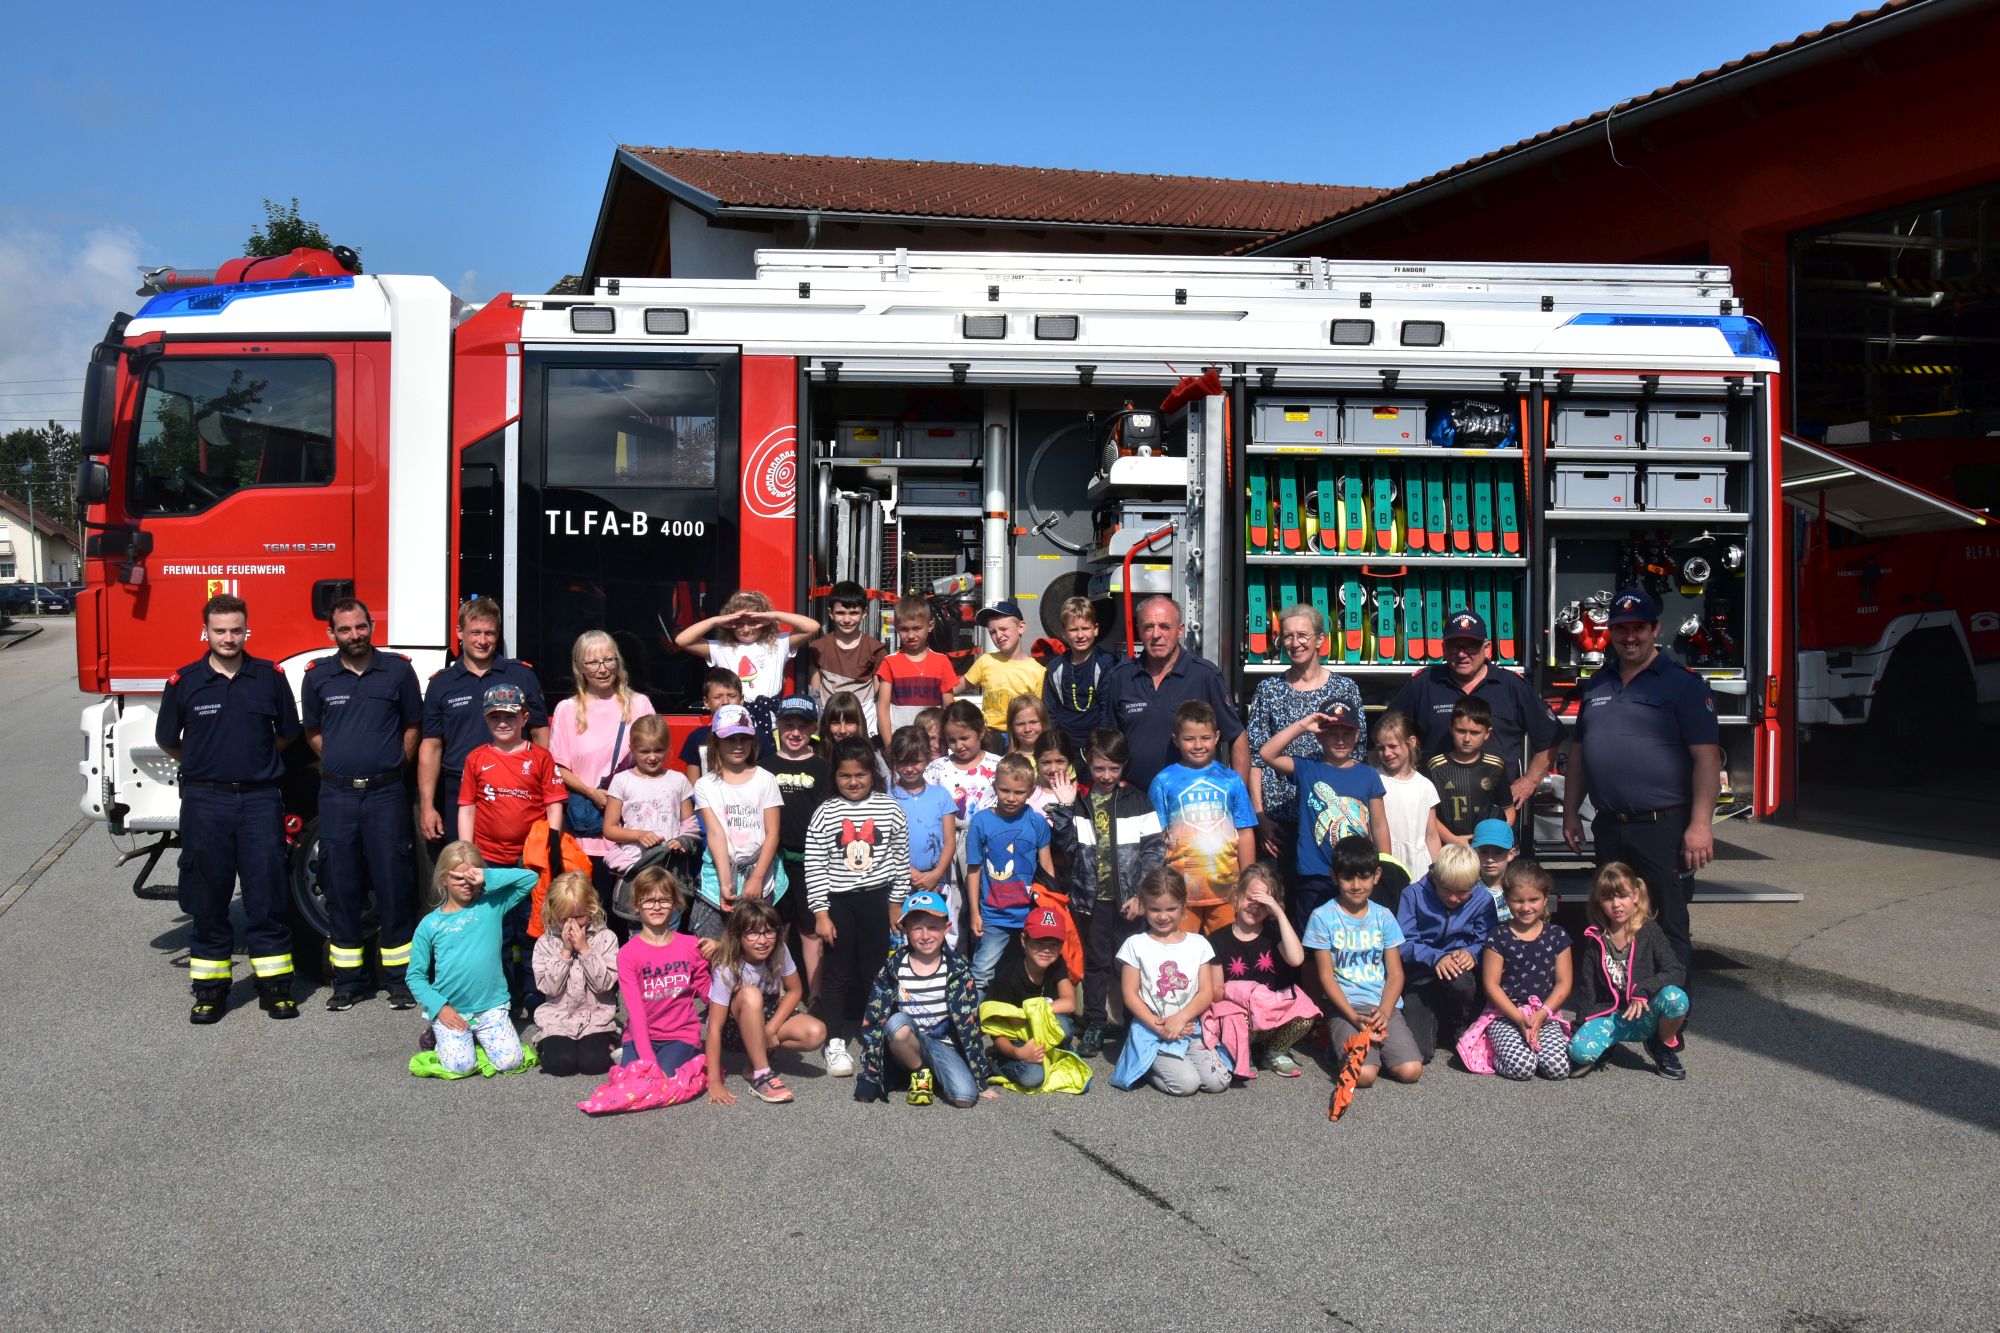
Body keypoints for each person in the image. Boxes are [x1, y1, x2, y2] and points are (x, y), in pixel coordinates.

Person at [156, 593, 304, 1023]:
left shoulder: (268, 677)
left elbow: (287, 733)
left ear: (246, 630)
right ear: (206, 632)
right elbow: (169, 739)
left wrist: (254, 762)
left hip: (259, 800)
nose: (228, 637)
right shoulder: (184, 683)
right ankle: (210, 992)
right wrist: (207, 765)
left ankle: (275, 989)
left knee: (266, 897)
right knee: (209, 897)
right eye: (219, 630)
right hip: (206, 802)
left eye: (235, 630)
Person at [1561, 587, 1721, 977]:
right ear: (1610, 632)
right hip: (1610, 825)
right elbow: (1580, 755)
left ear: (1655, 629)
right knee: (1611, 921)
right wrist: (1569, 815)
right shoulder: (1598, 684)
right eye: (1621, 629)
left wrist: (1700, 826)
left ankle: (1667, 1024)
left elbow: (1707, 760)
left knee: (1666, 924)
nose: (1629, 637)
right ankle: (1617, 1009)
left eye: (1638, 628)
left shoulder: (1684, 684)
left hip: (1662, 828)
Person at [300, 597, 423, 1011]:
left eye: (361, 627)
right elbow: (313, 732)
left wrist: (391, 766)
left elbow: (412, 726)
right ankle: (348, 982)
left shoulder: (398, 671)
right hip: (337, 795)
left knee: (395, 884)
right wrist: (338, 760)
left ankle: (400, 981)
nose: (355, 635)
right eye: (345, 629)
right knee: (341, 883)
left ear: (372, 626)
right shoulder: (318, 677)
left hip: (386, 794)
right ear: (331, 633)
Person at [457, 682, 566, 1015]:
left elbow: (554, 803)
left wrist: (553, 844)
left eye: (509, 716)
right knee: (496, 933)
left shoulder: (541, 758)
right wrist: (466, 853)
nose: (502, 723)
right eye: (494, 718)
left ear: (523, 718)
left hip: (529, 863)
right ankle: (502, 995)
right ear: (486, 720)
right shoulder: (476, 758)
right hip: (490, 860)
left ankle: (534, 994)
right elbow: (467, 806)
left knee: (532, 928)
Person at [806, 737, 912, 1076]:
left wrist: (896, 904)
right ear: (834, 776)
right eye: (845, 775)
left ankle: (877, 1034)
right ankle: (834, 1041)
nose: (853, 782)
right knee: (837, 973)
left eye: (861, 775)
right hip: (838, 903)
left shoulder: (889, 807)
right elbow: (815, 864)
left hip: (877, 900)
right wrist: (821, 913)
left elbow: (900, 858)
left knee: (876, 972)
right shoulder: (826, 812)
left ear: (873, 774)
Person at [1386, 608, 1558, 810]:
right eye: (1454, 646)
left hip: (1496, 809)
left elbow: (1551, 736)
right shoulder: (1423, 684)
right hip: (1434, 810)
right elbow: (1386, 734)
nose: (1461, 654)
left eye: (1471, 646)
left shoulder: (1512, 686)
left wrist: (1529, 781)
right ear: (1443, 647)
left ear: (1487, 648)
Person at [1061, 727, 1164, 1058]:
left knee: (1132, 963)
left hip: (1130, 901)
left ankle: (1137, 1021)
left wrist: (1142, 896)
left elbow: (1153, 850)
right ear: (1087, 763)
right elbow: (1064, 848)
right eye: (1099, 768)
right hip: (1091, 901)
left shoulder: (1137, 799)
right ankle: (1095, 1021)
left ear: (1124, 766)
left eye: (1113, 768)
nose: (1106, 775)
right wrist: (1063, 809)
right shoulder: (1078, 801)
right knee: (1097, 963)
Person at [418, 596, 549, 852]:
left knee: (514, 868)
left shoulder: (521, 675)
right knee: (463, 870)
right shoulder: (441, 684)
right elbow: (431, 746)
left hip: (515, 789)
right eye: (475, 632)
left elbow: (540, 732)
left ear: (497, 634)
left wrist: (542, 787)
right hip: (458, 789)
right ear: (459, 633)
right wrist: (427, 805)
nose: (482, 640)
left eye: (489, 633)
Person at [853, 890, 997, 1108]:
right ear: (906, 930)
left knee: (965, 1098)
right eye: (917, 928)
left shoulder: (957, 968)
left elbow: (971, 1025)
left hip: (943, 1043)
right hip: (907, 1039)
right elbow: (873, 1019)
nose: (925, 935)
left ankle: (934, 1071)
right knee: (895, 1024)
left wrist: (980, 1079)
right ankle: (919, 1071)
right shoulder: (894, 966)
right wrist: (869, 1078)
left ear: (947, 928)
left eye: (933, 927)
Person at [1245, 603, 1364, 865]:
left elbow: (1358, 755)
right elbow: (1255, 758)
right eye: (1287, 636)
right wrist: (1260, 817)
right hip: (1278, 820)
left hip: (1330, 814)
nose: (1295, 643)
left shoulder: (1345, 689)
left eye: (1302, 635)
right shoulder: (1269, 690)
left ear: (1320, 639)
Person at [1256, 701, 1390, 931]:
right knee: (1311, 940)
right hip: (1315, 873)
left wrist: (1386, 862)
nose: (1340, 740)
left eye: (1346, 733)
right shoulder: (1308, 768)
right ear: (1320, 735)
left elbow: (1378, 825)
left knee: (1354, 935)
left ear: (1357, 734)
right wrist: (1302, 725)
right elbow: (1267, 753)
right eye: (1332, 733)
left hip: (1356, 872)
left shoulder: (1368, 775)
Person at [406, 842, 538, 1074]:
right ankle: (436, 1035)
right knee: (460, 1066)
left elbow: (529, 879)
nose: (466, 885)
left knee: (510, 1062)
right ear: (443, 879)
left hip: (491, 1007)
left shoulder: (492, 905)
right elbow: (415, 976)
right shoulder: (429, 925)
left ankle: (475, 1036)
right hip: (452, 1009)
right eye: (459, 878)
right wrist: (440, 1008)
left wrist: (485, 876)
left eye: (471, 878)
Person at [1304, 836, 1424, 1090]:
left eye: (1364, 877)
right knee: (1365, 1075)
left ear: (1376, 875)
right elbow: (1326, 976)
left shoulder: (1384, 916)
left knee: (1411, 1070)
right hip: (1345, 1008)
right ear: (1334, 877)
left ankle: (1368, 1046)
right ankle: (1340, 1043)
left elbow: (1395, 975)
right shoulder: (1323, 917)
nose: (1356, 885)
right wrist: (1352, 1016)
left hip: (1381, 1006)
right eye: (1348, 878)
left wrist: (1385, 1011)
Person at [1104, 595, 1250, 793]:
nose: (1156, 635)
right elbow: (1107, 741)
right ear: (1139, 631)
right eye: (1148, 627)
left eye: (1165, 627)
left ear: (1180, 630)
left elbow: (1237, 735)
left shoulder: (1204, 676)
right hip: (1134, 802)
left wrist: (1237, 795)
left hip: (1193, 800)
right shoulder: (1121, 677)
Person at [549, 630, 656, 898]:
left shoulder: (639, 704)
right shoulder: (567, 709)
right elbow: (558, 768)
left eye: (609, 660)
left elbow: (654, 759)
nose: (602, 669)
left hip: (631, 833)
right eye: (593, 663)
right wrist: (592, 793)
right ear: (580, 668)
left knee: (629, 916)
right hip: (585, 833)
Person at [1112, 867, 1229, 1095]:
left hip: (1189, 1027)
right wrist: (1160, 1026)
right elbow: (1129, 993)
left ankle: (1179, 1056)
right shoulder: (1135, 944)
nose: (1163, 916)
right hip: (1151, 1028)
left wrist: (1180, 1018)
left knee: (1218, 1082)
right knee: (1186, 1085)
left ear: (1184, 907)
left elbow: (1206, 991)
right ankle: (1146, 1063)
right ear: (1144, 906)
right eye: (1155, 909)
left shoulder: (1199, 944)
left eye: (1171, 909)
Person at [1570, 862, 1691, 1080]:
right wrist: (1579, 1028)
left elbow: (1676, 971)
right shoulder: (1594, 938)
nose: (1616, 904)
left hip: (1645, 1014)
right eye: (1608, 898)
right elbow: (1587, 990)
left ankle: (1661, 1046)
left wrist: (1643, 989)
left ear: (1635, 895)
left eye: (1623, 896)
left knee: (1676, 998)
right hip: (1611, 1016)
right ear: (1599, 901)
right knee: (1579, 1052)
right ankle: (1607, 1045)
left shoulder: (1649, 930)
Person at [1149, 700, 1259, 935]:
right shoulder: (1163, 781)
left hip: (1227, 892)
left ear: (1218, 737)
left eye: (1205, 738)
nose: (1198, 745)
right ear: (1175, 739)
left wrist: (1247, 882)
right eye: (1189, 739)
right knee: (1181, 958)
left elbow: (1246, 833)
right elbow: (1154, 839)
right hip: (1178, 894)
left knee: (1223, 957)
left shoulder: (1231, 780)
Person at [702, 899, 827, 1105]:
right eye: (752, 933)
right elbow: (714, 1028)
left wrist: (770, 1029)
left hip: (766, 1012)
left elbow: (795, 990)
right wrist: (714, 1081)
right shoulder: (727, 966)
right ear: (738, 935)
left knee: (816, 1032)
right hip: (733, 1028)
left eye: (769, 931)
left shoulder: (779, 950)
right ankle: (762, 1075)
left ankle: (753, 1063)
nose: (762, 940)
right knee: (751, 995)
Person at [1203, 862, 1318, 1077]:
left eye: (1264, 903)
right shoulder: (1217, 940)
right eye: (1250, 898)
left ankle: (1274, 1051)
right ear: (1236, 897)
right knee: (1234, 1016)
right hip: (1241, 1019)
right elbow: (1216, 991)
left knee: (1306, 1011)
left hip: (1270, 1016)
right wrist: (1247, 997)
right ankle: (1239, 1052)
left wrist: (1279, 914)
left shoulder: (1273, 935)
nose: (1255, 906)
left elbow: (1296, 959)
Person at [1466, 859, 1572, 1081]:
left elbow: (1563, 983)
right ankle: (1490, 1053)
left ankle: (1533, 1050)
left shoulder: (1557, 936)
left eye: (1533, 900)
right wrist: (1518, 1019)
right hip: (1504, 1014)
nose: (1526, 907)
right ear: (1506, 900)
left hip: (1545, 1014)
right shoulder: (1499, 936)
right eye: (1518, 900)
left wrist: (1542, 1014)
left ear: (1545, 898)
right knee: (1523, 1068)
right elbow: (1491, 985)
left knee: (1558, 1069)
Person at [690, 704, 787, 941]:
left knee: (757, 944)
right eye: (730, 739)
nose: (738, 745)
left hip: (761, 874)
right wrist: (726, 882)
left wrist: (756, 878)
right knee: (714, 946)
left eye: (744, 739)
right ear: (716, 742)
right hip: (720, 874)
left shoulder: (766, 780)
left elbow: (773, 833)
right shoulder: (705, 785)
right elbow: (716, 834)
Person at [1394, 842, 1497, 1059]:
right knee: (1420, 1053)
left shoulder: (1482, 900)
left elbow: (1488, 941)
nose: (1452, 898)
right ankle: (1435, 1021)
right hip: (1421, 976)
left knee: (1458, 977)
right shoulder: (1412, 895)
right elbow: (1403, 943)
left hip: (1460, 975)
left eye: (1462, 892)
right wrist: (1436, 957)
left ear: (1476, 883)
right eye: (1446, 890)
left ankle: (1460, 1022)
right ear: (1434, 876)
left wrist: (1472, 953)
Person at [674, 590, 821, 738]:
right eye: (739, 624)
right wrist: (716, 621)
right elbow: (682, 640)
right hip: (734, 721)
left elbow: (812, 627)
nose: (746, 629)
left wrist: (773, 615)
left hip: (772, 722)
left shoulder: (778, 644)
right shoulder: (721, 648)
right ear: (730, 624)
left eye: (753, 623)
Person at [966, 752, 1055, 991]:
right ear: (994, 786)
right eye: (1005, 790)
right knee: (983, 971)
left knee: (1035, 970)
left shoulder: (1036, 821)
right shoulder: (981, 821)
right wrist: (975, 912)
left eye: (1019, 792)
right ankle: (977, 1024)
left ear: (1031, 790)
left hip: (1031, 912)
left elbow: (1047, 867)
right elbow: (973, 870)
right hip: (994, 914)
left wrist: (1050, 907)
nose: (1011, 798)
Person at [600, 714, 702, 923]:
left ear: (667, 747)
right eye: (644, 751)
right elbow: (609, 828)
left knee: (670, 925)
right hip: (637, 870)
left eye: (658, 750)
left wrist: (683, 841)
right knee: (638, 928)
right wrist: (639, 835)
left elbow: (690, 824)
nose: (652, 757)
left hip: (671, 872)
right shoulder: (621, 781)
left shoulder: (678, 780)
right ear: (632, 748)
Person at [616, 867, 709, 1074]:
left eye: (664, 900)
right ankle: (629, 1055)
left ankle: (692, 1060)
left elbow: (710, 995)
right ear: (636, 904)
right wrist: (648, 1061)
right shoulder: (627, 953)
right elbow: (635, 1010)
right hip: (640, 1034)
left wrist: (720, 961)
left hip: (680, 1035)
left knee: (663, 1079)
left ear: (675, 903)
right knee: (637, 1079)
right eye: (649, 901)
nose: (656, 907)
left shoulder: (691, 945)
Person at [767, 695, 831, 985]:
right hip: (774, 861)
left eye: (802, 727)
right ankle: (775, 991)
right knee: (775, 928)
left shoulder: (823, 768)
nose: (794, 732)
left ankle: (815, 993)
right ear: (778, 726)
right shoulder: (763, 767)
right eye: (788, 725)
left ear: (814, 728)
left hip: (812, 863)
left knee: (810, 929)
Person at [530, 871, 620, 1078]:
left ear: (592, 908)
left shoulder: (606, 938)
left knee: (593, 1064)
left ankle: (608, 1040)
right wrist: (565, 951)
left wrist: (585, 950)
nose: (572, 926)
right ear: (553, 914)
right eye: (564, 919)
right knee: (562, 1065)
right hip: (558, 1018)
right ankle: (546, 1043)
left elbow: (604, 984)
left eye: (579, 917)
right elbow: (548, 988)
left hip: (595, 1017)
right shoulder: (545, 943)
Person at [982, 906, 1079, 1089]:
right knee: (1033, 1078)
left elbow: (1069, 1002)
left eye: (1054, 944)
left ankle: (1054, 1055)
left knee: (1064, 1025)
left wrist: (1033, 1012)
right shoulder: (1008, 975)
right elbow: (997, 1032)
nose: (1046, 950)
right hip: (1013, 1040)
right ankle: (996, 1063)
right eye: (1039, 942)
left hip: (1038, 1030)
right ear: (1024, 940)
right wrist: (1019, 1053)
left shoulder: (1057, 964)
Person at [889, 725, 959, 946]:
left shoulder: (940, 795)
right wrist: (913, 874)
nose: (910, 768)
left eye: (916, 761)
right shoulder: (886, 796)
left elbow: (949, 842)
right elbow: (885, 844)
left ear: (927, 759)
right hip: (898, 884)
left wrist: (934, 875)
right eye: (903, 762)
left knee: (934, 938)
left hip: (936, 883)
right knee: (902, 938)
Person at [925, 698, 1001, 888]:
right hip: (946, 843)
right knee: (952, 897)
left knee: (981, 893)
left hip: (986, 843)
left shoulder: (998, 765)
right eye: (952, 740)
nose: (959, 745)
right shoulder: (937, 767)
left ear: (981, 732)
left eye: (964, 738)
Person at [1426, 696, 1516, 844]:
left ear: (1487, 733)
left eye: (1475, 733)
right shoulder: (1435, 766)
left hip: (1486, 848)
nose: (1467, 738)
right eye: (1461, 731)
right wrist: (1452, 840)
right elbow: (1428, 814)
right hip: (1447, 849)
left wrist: (1494, 836)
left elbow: (1508, 809)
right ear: (1450, 728)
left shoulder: (1495, 766)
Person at [960, 598, 1046, 751]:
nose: (998, 635)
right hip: (989, 737)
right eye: (992, 632)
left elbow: (1039, 715)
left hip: (1022, 738)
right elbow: (954, 687)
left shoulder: (1038, 671)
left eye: (1003, 629)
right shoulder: (985, 661)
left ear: (1021, 628)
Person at [804, 580, 887, 735]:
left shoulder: (875, 649)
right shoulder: (818, 648)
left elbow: (878, 694)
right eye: (840, 613)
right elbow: (815, 691)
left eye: (854, 613)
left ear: (865, 613)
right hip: (829, 720)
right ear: (830, 613)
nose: (847, 619)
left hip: (864, 722)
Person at [876, 595, 959, 739]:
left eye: (917, 628)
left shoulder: (942, 662)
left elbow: (949, 709)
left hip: (934, 745)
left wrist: (948, 742)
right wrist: (889, 746)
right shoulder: (889, 662)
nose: (911, 635)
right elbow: (882, 709)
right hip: (901, 743)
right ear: (896, 628)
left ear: (930, 626)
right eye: (904, 629)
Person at [1373, 711, 1441, 881]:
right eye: (1381, 748)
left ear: (1411, 742)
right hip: (1385, 860)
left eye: (1393, 746)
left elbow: (1431, 836)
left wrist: (1439, 869)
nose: (1387, 753)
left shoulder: (1425, 786)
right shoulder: (1374, 780)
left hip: (1420, 867)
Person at [1043, 595, 1116, 749]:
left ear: (1095, 629)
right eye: (1074, 629)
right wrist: (1055, 745)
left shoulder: (1106, 663)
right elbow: (1051, 711)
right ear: (1064, 632)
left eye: (1085, 628)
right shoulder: (1055, 667)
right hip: (1065, 744)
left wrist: (1101, 745)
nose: (1080, 635)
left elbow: (1107, 709)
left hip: (1097, 743)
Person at [680, 667, 759, 782]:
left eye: (732, 696)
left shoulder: (758, 735)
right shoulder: (695, 737)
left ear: (742, 699)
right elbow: (693, 786)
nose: (725, 702)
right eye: (717, 697)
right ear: (706, 702)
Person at [1470, 818, 1518, 921]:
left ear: (1511, 854)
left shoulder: (1519, 888)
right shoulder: (1467, 889)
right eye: (1483, 852)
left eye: (1498, 852)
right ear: (1473, 852)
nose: (1490, 859)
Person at [1005, 692, 1052, 761]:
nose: (1027, 729)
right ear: (1011, 727)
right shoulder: (1005, 764)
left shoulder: (1058, 759)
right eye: (1020, 724)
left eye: (1033, 722)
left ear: (1044, 722)